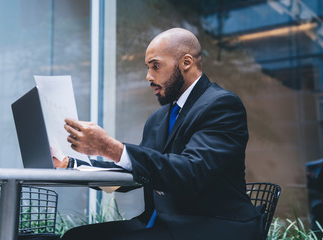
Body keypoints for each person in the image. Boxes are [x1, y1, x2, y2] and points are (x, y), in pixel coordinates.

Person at [54, 28, 262, 240]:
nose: (148, 76)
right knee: (75, 237)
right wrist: (72, 164)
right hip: (163, 224)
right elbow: (138, 172)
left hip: (213, 226)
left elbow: (191, 173)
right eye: (148, 68)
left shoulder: (222, 105)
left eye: (156, 66)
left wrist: (110, 147)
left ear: (186, 62)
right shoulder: (158, 119)